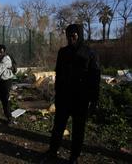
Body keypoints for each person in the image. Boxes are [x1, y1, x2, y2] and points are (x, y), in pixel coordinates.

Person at [42, 24, 101, 164]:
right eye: (68, 36)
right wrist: (56, 93)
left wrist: (94, 99)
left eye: (73, 36)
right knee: (58, 126)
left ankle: (74, 156)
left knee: (78, 129)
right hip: (64, 97)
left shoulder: (90, 53)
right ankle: (53, 151)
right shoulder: (63, 52)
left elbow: (95, 78)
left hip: (81, 99)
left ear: (79, 35)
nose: (70, 39)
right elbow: (59, 73)